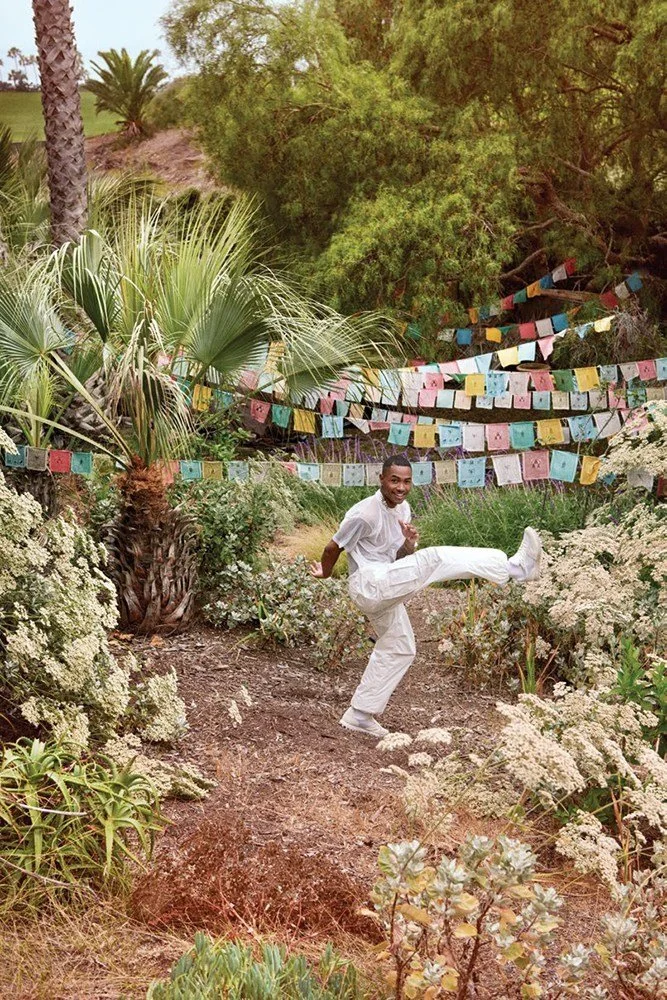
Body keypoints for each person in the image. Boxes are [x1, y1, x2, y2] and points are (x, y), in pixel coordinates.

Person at [309, 454, 543, 738]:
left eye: (407, 481)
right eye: (394, 480)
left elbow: (397, 559)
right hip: (368, 584)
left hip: (385, 581)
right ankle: (516, 568)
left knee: (399, 646)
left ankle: (359, 715)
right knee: (434, 559)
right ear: (381, 479)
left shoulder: (403, 509)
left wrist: (409, 544)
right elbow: (333, 547)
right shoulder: (364, 513)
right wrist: (325, 572)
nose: (401, 487)